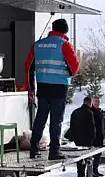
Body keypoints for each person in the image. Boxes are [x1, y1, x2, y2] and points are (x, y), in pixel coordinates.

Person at [25, 18, 81, 160]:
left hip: (43, 87)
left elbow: (28, 67)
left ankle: (34, 148)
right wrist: (66, 72)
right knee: (56, 120)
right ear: (65, 30)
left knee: (40, 118)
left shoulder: (37, 45)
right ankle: (54, 151)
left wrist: (30, 88)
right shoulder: (65, 45)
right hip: (59, 88)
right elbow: (74, 68)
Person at [68, 96, 96, 177]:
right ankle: (83, 175)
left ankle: (80, 175)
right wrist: (93, 137)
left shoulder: (75, 112)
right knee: (86, 157)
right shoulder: (89, 113)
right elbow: (91, 126)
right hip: (86, 139)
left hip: (77, 139)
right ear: (89, 103)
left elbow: (71, 126)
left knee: (79, 157)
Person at [90, 96, 105, 177]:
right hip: (93, 138)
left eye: (98, 102)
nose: (97, 103)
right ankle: (89, 172)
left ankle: (95, 170)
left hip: (100, 137)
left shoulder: (100, 111)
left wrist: (104, 131)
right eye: (95, 101)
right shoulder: (90, 111)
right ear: (92, 102)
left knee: (98, 155)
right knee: (91, 156)